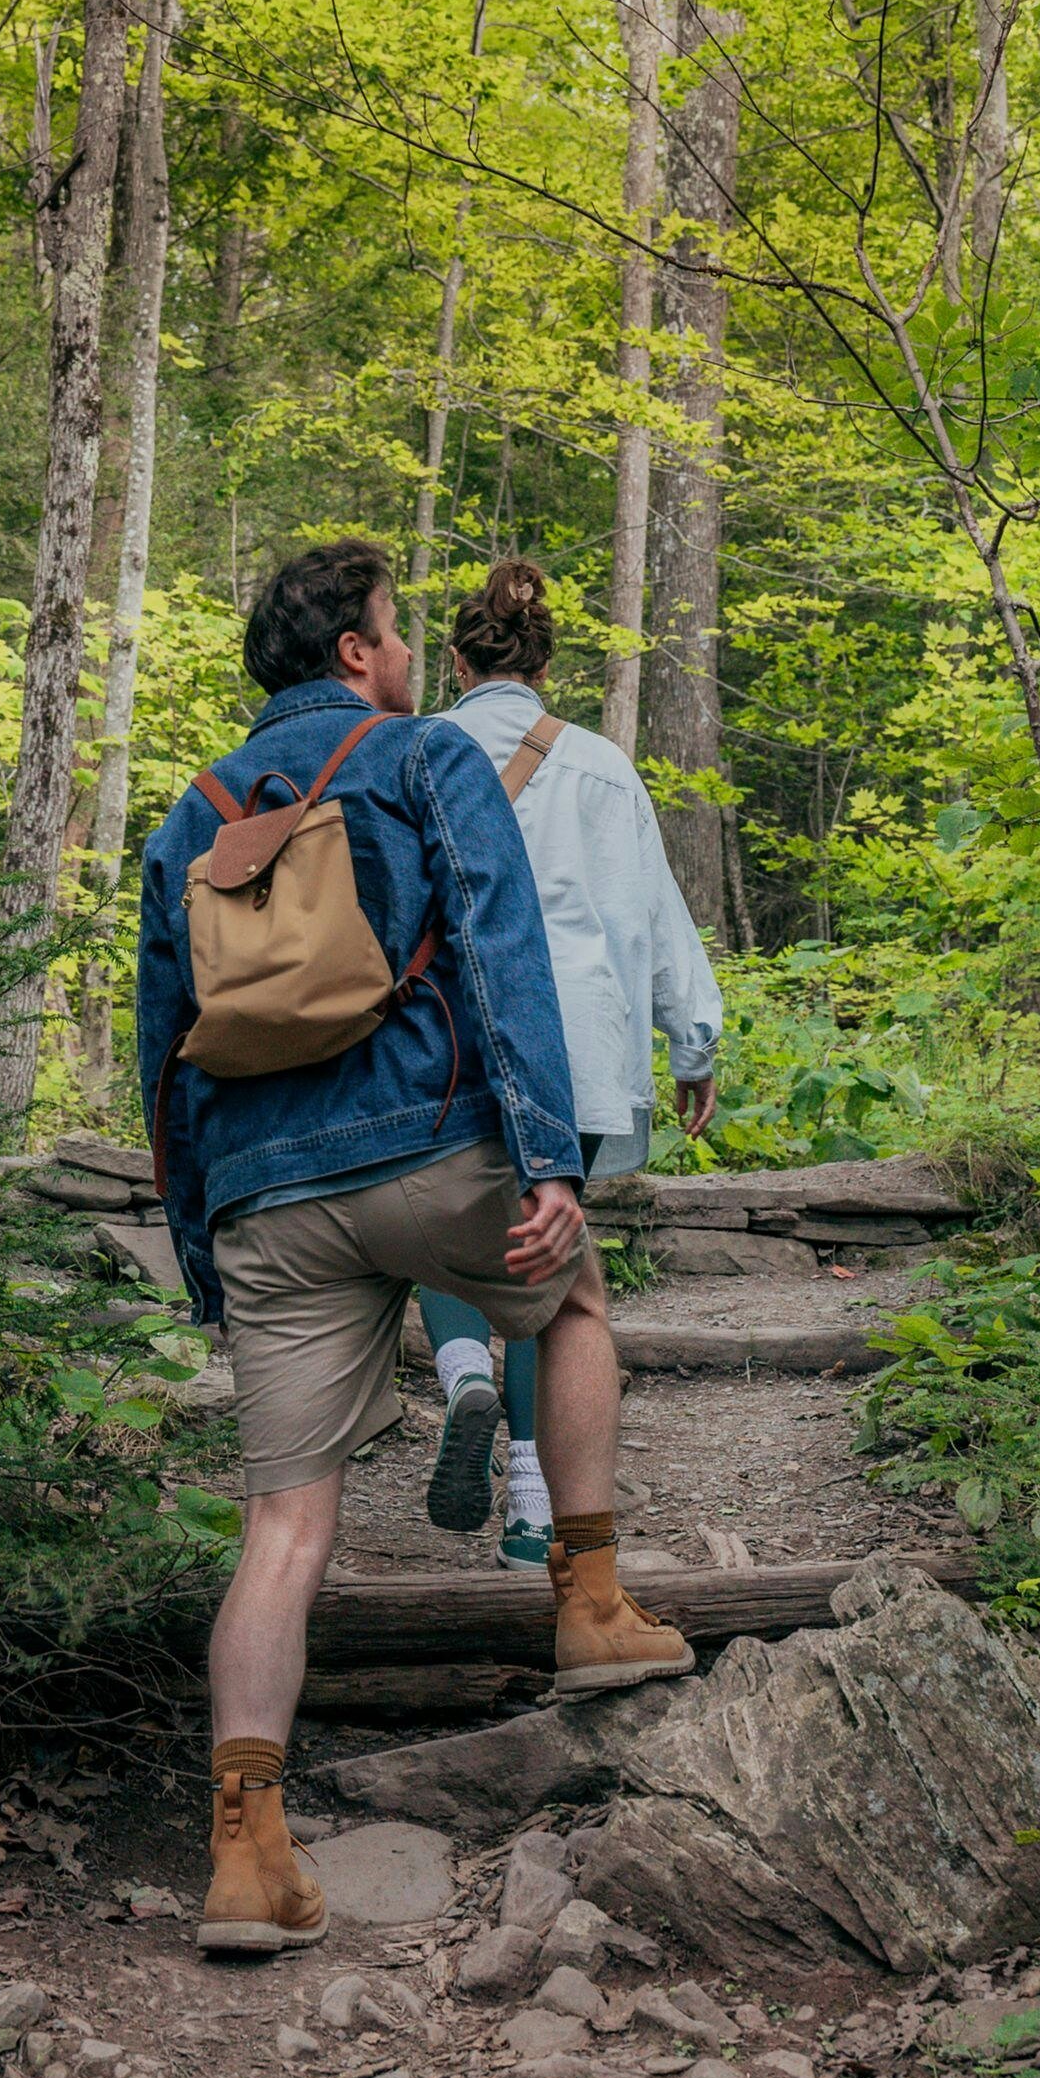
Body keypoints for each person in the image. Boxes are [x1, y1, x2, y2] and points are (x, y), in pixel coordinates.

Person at [137, 536, 693, 1960]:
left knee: (283, 1526)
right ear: (353, 654)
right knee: (569, 1309)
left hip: (263, 1193)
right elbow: (498, 951)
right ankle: (586, 1602)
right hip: (431, 1149)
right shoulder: (420, 760)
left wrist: (206, 1245)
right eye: (387, 633)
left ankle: (247, 1854)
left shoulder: (183, 820)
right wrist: (548, 1156)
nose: (399, 656)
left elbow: (164, 1052)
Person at [414, 558, 723, 1564]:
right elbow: (654, 907)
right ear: (544, 666)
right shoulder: (601, 764)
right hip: (576, 1048)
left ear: (456, 661)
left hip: (448, 1036)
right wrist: (694, 1039)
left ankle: (461, 1364)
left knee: (436, 1228)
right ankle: (535, 1502)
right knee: (547, 1264)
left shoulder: (412, 750)